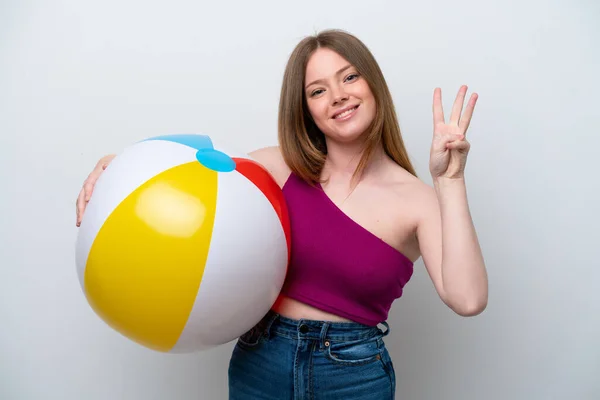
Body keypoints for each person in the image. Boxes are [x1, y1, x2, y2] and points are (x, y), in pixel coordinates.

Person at [75, 29, 488, 399]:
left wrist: (449, 181)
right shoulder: (277, 169)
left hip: (352, 375)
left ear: (372, 83)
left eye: (349, 77)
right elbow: (190, 172)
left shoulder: (418, 200)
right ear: (306, 108)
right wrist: (117, 166)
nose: (339, 95)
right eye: (318, 90)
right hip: (261, 360)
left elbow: (468, 299)